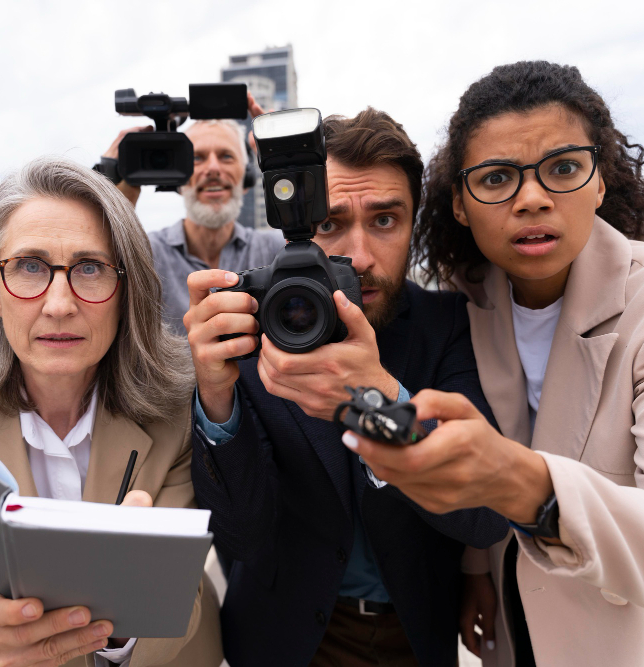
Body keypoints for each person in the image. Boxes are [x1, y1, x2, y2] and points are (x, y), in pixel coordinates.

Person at [342, 61, 644, 667]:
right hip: (510, 639)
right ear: (459, 204)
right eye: (496, 179)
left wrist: (524, 484)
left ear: (601, 180)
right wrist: (476, 571)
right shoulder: (467, 301)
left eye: (563, 168)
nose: (533, 199)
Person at [185, 108, 510, 667]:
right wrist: (215, 397)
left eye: (385, 220)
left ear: (415, 224)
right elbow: (240, 539)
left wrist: (375, 402)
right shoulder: (260, 329)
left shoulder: (450, 325)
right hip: (283, 637)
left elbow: (482, 516)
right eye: (332, 223)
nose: (359, 257)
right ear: (299, 224)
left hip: (415, 629)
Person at [0, 156, 222, 667]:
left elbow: (181, 601)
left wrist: (121, 622)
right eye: (30, 266)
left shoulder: (178, 410)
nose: (58, 304)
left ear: (127, 290)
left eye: (90, 268)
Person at [99, 94, 284, 335]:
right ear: (178, 179)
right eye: (197, 158)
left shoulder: (276, 250)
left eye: (226, 156)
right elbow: (95, 278)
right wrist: (114, 189)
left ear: (247, 178)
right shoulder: (145, 255)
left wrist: (282, 163)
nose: (213, 169)